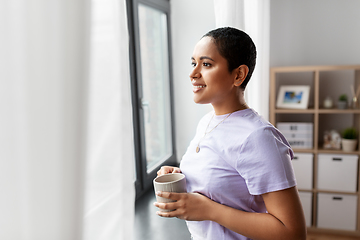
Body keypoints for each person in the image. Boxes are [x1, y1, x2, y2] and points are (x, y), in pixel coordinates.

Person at [153, 27, 307, 240]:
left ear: (238, 75)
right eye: (193, 63)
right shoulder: (207, 122)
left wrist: (210, 210)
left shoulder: (258, 137)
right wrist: (181, 175)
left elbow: (292, 232)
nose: (193, 73)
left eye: (206, 64)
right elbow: (223, 180)